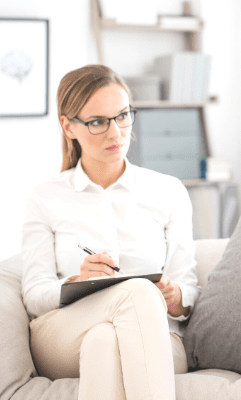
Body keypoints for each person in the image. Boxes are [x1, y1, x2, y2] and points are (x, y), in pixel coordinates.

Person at [21, 64, 200, 400]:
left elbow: (188, 289)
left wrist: (175, 295)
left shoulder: (168, 190)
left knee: (104, 341)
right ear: (68, 126)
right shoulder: (44, 196)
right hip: (64, 333)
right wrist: (74, 282)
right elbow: (33, 294)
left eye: (123, 116)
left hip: (158, 336)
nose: (116, 133)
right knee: (136, 293)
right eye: (98, 122)